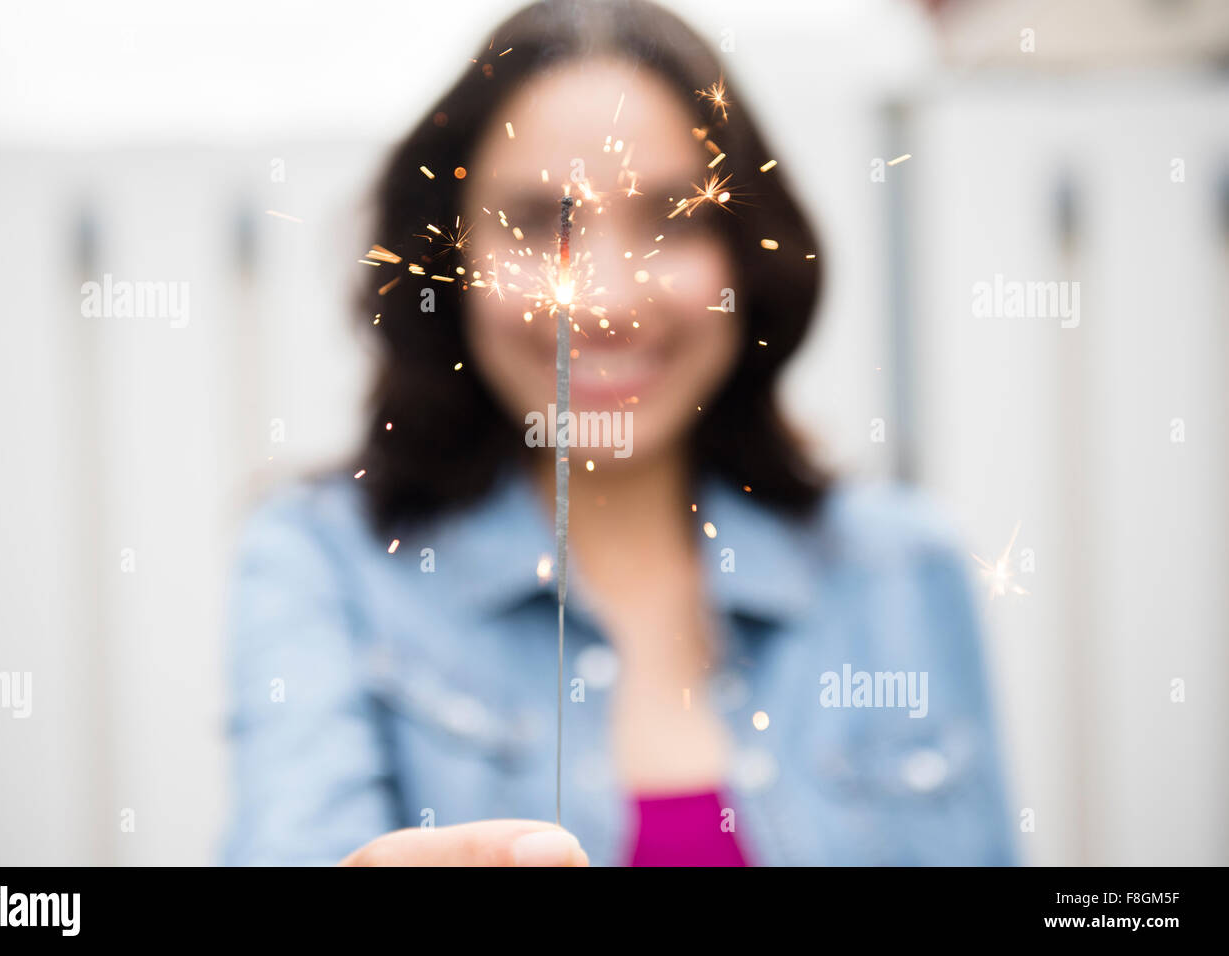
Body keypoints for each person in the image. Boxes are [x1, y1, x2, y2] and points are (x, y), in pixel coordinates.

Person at [221, 0, 1016, 867]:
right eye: (534, 223)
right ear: (449, 261)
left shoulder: (905, 571)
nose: (601, 300)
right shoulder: (322, 567)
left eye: (672, 218)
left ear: (745, 253)